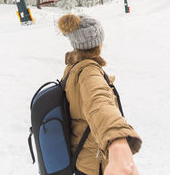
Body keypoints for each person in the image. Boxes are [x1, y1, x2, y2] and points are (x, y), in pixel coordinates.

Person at [57, 14, 142, 175]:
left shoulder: (74, 65)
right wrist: (118, 143)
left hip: (82, 157)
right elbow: (99, 102)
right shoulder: (89, 72)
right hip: (94, 164)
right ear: (96, 44)